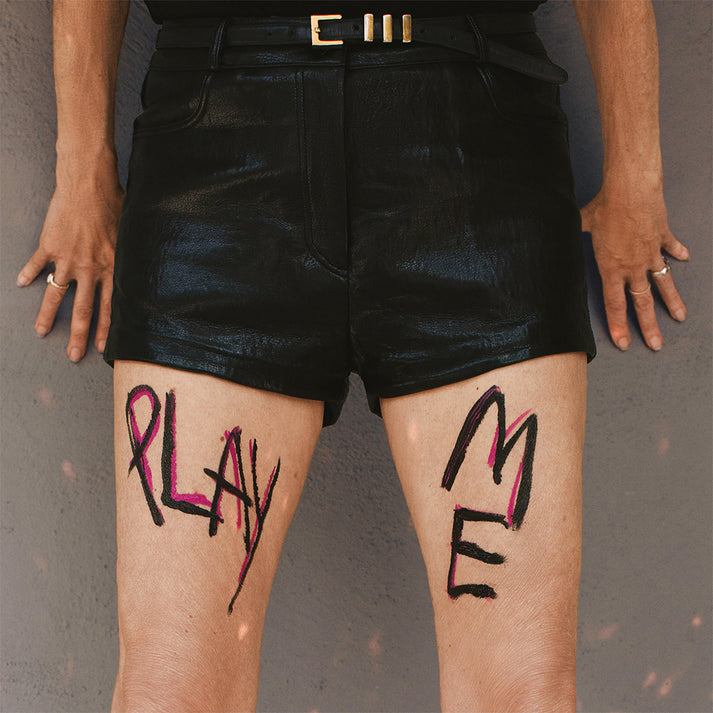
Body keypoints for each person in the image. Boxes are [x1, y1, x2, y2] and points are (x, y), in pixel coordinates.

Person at [17, 0, 688, 711]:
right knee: (168, 690)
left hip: (477, 144)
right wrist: (82, 165)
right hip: (217, 148)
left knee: (521, 693)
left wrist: (636, 171)